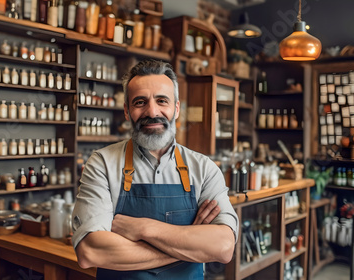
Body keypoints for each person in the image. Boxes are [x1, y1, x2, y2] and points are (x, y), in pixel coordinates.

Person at [71, 59, 238, 279]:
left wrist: (144, 229)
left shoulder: (204, 169)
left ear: (176, 109)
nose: (152, 111)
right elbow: (91, 251)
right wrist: (191, 246)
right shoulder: (102, 164)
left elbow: (223, 248)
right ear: (127, 111)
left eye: (162, 100)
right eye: (140, 102)